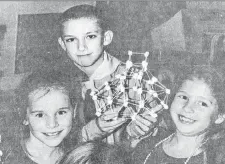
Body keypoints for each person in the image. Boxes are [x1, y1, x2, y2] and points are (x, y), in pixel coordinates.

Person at [58, 4, 159, 145]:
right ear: (62, 44)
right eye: (71, 39)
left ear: (106, 38)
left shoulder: (132, 81)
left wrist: (135, 134)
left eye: (90, 36)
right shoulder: (59, 80)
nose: (81, 47)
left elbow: (156, 134)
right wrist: (91, 131)